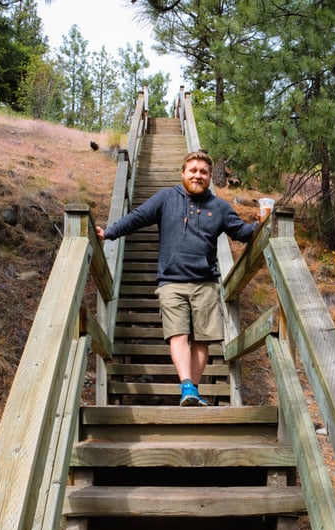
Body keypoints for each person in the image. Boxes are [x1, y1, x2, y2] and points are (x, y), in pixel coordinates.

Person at [96, 150, 259, 406]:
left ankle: (192, 391)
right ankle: (187, 387)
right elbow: (137, 218)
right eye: (193, 170)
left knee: (203, 339)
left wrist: (260, 225)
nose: (198, 175)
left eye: (203, 172)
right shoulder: (166, 198)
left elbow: (241, 232)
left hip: (205, 282)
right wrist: (109, 233)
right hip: (171, 281)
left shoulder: (219, 207)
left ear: (209, 178)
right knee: (179, 335)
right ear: (183, 172)